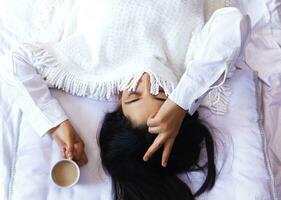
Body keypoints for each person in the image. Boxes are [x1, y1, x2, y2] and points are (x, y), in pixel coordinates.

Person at [3, 0, 250, 197]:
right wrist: (182, 100)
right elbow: (233, 23)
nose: (145, 81)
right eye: (162, 92)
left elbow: (16, 61)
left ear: (118, 105)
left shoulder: (92, 71)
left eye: (133, 96)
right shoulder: (190, 68)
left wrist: (57, 124)